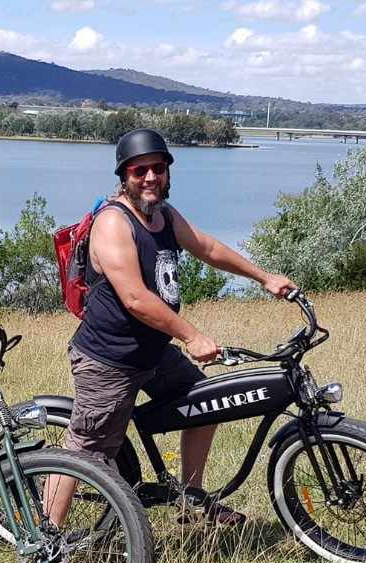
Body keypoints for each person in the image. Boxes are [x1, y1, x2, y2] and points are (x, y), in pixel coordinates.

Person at [48, 128, 297, 527]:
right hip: (109, 359)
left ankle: (192, 503)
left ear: (167, 171)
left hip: (153, 352)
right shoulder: (113, 223)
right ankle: (47, 547)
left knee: (206, 404)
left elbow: (207, 247)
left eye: (157, 169)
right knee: (87, 451)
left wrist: (263, 276)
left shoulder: (163, 215)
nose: (150, 178)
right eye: (139, 171)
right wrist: (191, 335)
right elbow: (134, 298)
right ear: (123, 176)